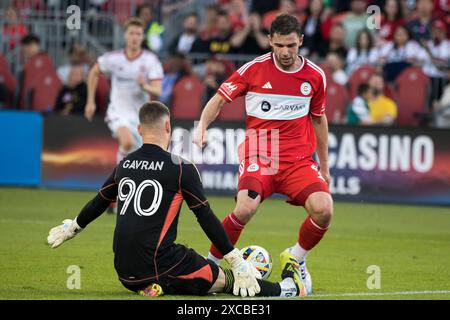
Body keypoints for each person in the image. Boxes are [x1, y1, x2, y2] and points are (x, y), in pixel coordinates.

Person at [47, 102, 306, 298]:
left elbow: (99, 202)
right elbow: (205, 217)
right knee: (222, 279)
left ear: (139, 129)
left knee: (186, 273)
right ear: (168, 127)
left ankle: (154, 285)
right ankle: (286, 289)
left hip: (124, 271)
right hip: (160, 263)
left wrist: (74, 228)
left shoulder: (125, 164)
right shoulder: (180, 167)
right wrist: (235, 260)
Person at [194, 14, 333, 296]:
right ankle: (210, 265)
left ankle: (296, 258)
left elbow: (319, 120)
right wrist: (202, 126)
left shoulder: (315, 76)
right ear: (270, 40)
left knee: (324, 209)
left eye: (291, 46)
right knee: (245, 208)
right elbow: (219, 99)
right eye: (279, 45)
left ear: (301, 42)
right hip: (261, 152)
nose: (285, 52)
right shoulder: (253, 69)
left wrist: (325, 167)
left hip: (298, 162)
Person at [84, 18, 163, 164]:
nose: (135, 37)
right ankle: (118, 178)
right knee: (126, 142)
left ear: (142, 37)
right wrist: (90, 102)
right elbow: (94, 72)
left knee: (140, 156)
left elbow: (158, 90)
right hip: (117, 112)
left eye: (138, 34)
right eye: (131, 33)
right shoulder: (114, 58)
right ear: (125, 35)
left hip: (140, 116)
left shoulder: (151, 61)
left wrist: (144, 86)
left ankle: (127, 178)